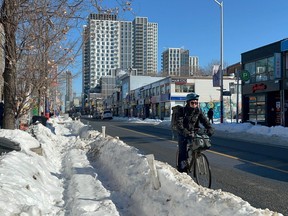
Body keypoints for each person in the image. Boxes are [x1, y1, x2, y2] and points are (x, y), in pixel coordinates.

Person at [175, 93, 214, 172]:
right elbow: (179, 124)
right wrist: (185, 132)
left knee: (198, 145)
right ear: (188, 103)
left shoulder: (198, 111)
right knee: (183, 152)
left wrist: (209, 128)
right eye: (192, 103)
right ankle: (182, 170)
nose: (194, 104)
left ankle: (194, 156)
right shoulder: (182, 111)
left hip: (193, 132)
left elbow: (205, 121)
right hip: (183, 132)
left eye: (196, 103)